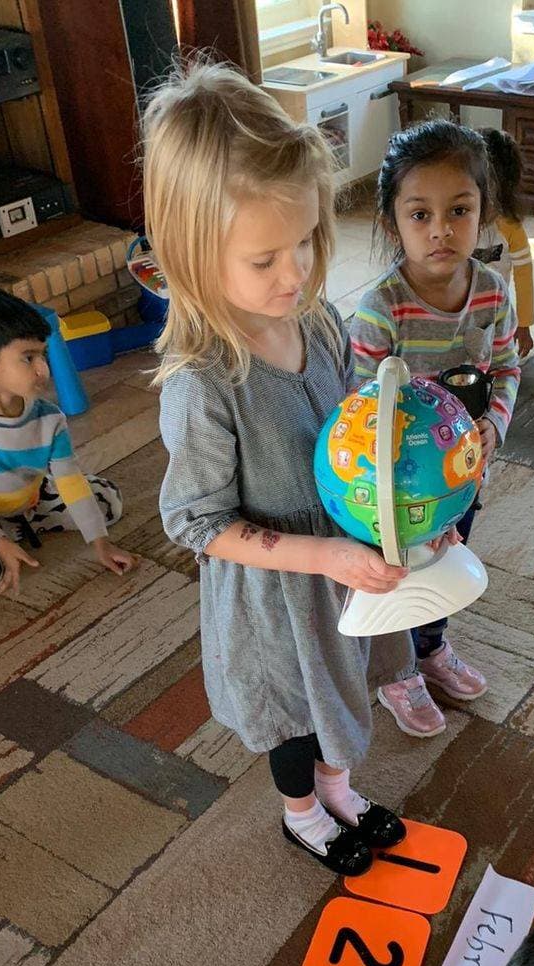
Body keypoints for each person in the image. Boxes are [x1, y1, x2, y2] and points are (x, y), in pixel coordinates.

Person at [146, 62, 412, 876]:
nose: (295, 272)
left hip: (342, 559)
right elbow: (196, 522)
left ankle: (341, 788)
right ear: (193, 255)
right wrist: (321, 554)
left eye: (304, 241)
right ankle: (304, 810)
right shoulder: (203, 383)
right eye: (264, 259)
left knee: (350, 683)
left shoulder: (315, 317)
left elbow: (339, 418)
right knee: (295, 718)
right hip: (277, 595)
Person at [349, 120, 521, 739]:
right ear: (392, 223)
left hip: (462, 474)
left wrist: (493, 433)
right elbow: (356, 409)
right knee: (396, 573)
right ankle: (394, 671)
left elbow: (505, 368)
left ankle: (430, 647)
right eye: (420, 215)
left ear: (484, 213)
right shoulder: (381, 310)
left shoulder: (494, 294)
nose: (441, 230)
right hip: (389, 489)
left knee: (447, 560)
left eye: (459, 210)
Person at [0, 288, 135, 596]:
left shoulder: (50, 418)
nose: (42, 368)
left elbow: (69, 480)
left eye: (43, 354)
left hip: (32, 498)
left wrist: (100, 544)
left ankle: (22, 527)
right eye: (28, 357)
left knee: (109, 504)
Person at [475, 127, 534, 361]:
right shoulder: (455, 222)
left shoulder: (511, 228)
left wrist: (524, 324)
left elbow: (524, 277)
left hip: (496, 313)